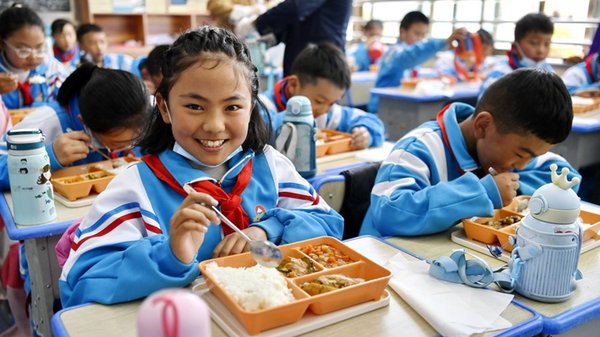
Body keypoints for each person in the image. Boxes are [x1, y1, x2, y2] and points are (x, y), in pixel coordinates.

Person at [58, 26, 343, 307]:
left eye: (232, 107)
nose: (214, 126)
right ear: (165, 107)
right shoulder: (136, 187)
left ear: (252, 107)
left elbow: (329, 224)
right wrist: (171, 255)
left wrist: (267, 230)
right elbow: (81, 282)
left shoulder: (270, 165)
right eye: (195, 107)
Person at [360, 69, 580, 237]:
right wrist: (482, 193)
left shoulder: (510, 148)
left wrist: (509, 190)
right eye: (521, 154)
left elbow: (566, 178)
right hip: (392, 266)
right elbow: (390, 212)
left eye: (531, 157)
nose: (522, 165)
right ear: (483, 126)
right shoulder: (420, 149)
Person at [0, 63, 150, 190]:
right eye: (117, 144)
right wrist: (48, 157)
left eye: (137, 139)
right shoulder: (47, 122)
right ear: (84, 122)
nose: (131, 147)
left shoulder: (144, 114)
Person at [260, 42, 384, 150]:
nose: (324, 110)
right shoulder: (262, 107)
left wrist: (365, 134)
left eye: (332, 103)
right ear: (293, 85)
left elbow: (371, 121)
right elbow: (259, 131)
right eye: (319, 101)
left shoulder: (325, 114)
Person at [368, 11, 465, 113]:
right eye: (417, 33)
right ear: (402, 32)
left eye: (423, 35)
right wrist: (444, 42)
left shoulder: (413, 56)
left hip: (401, 106)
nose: (420, 39)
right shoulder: (395, 52)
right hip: (382, 109)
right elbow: (411, 55)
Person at [235, 0, 353, 76]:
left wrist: (256, 24)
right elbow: (306, 19)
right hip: (304, 58)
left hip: (320, 62)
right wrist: (277, 36)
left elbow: (296, 8)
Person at [0, 4, 68, 109]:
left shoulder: (52, 69)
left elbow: (69, 103)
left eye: (39, 48)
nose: (33, 57)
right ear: (2, 43)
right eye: (23, 50)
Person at [479, 13, 554, 97]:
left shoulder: (549, 72)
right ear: (515, 47)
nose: (541, 50)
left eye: (547, 44)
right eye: (534, 43)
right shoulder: (500, 75)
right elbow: (485, 105)